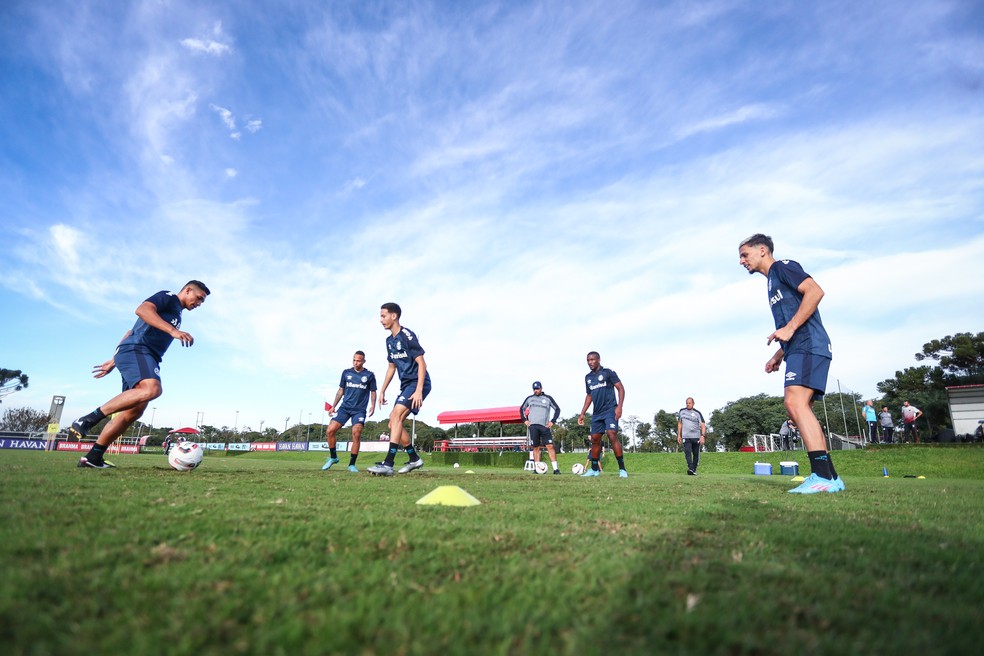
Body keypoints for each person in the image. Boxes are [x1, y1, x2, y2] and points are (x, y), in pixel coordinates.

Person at [738, 234, 844, 493]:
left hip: (809, 345)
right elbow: (790, 323)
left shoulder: (782, 267)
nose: (741, 261)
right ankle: (830, 477)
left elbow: (815, 291)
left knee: (794, 403)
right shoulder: (771, 282)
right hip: (800, 347)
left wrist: (789, 328)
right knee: (801, 406)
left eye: (744, 255)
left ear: (762, 250)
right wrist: (779, 354)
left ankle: (821, 476)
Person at [69, 281, 211, 468]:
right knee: (152, 389)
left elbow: (131, 331)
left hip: (138, 353)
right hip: (139, 350)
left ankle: (93, 457)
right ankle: (88, 419)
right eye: (199, 298)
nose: (199, 303)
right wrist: (173, 331)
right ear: (188, 290)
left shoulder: (177, 313)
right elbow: (142, 310)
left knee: (134, 411)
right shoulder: (168, 297)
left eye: (202, 301)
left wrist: (114, 360)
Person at [368, 303, 431, 476]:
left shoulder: (407, 335)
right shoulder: (389, 341)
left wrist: (418, 390)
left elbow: (421, 363)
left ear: (394, 316)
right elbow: (391, 367)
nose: (381, 320)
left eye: (383, 316)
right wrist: (382, 390)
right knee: (393, 422)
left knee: (395, 417)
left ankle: (388, 464)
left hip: (418, 382)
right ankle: (414, 458)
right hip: (406, 385)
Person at [321, 351, 377, 472]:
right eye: (354, 360)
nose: (356, 363)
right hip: (345, 408)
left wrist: (373, 405)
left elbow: (373, 392)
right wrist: (333, 406)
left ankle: (351, 464)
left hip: (359, 410)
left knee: (356, 433)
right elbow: (341, 390)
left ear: (364, 361)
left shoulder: (369, 375)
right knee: (330, 430)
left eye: (359, 360)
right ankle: (333, 457)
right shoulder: (346, 373)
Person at [577, 351, 628, 478]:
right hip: (597, 414)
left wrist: (619, 407)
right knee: (595, 439)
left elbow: (621, 388)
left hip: (610, 410)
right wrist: (582, 413)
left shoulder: (608, 373)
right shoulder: (588, 377)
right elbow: (589, 396)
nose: (590, 362)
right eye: (588, 360)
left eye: (593, 359)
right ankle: (594, 470)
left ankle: (622, 469)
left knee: (612, 434)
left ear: (599, 360)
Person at [520, 381, 562, 474]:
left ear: (541, 388)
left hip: (544, 426)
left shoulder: (548, 398)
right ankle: (537, 468)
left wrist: (553, 421)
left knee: (550, 446)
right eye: (534, 389)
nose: (536, 390)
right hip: (533, 426)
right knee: (535, 447)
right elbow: (521, 409)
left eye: (537, 389)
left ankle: (555, 469)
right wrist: (525, 420)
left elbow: (557, 409)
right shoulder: (529, 398)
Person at [677, 397, 706, 475]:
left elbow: (703, 425)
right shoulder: (682, 411)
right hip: (686, 436)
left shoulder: (697, 413)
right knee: (687, 451)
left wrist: (702, 436)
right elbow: (680, 423)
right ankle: (690, 468)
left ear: (693, 403)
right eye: (687, 403)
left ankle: (694, 469)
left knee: (696, 454)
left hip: (696, 436)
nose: (688, 404)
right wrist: (679, 435)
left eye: (689, 403)